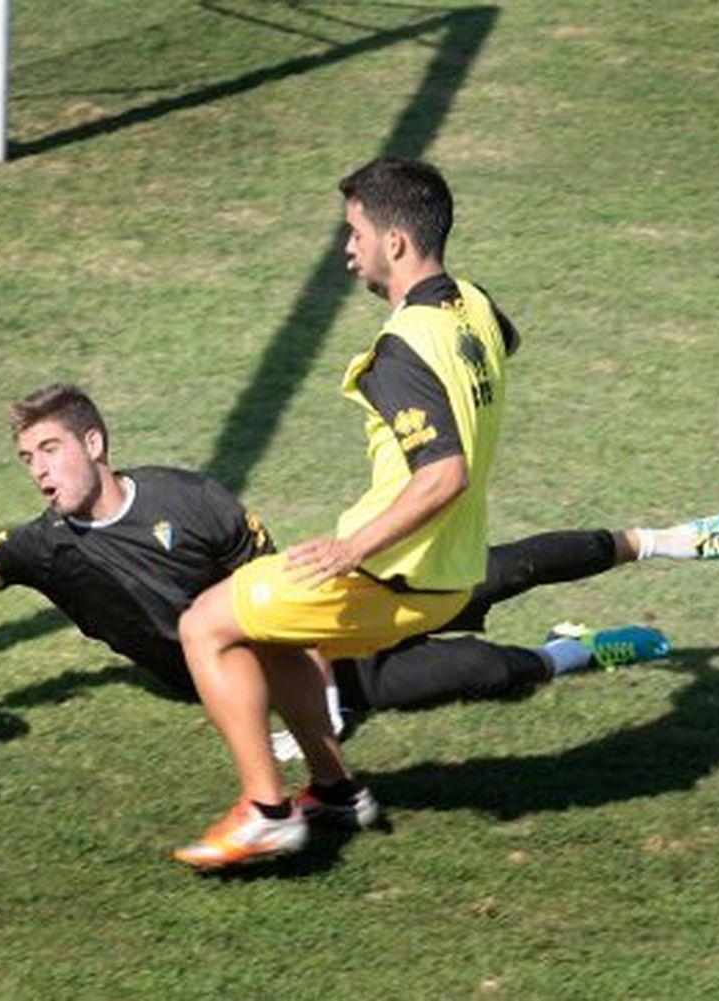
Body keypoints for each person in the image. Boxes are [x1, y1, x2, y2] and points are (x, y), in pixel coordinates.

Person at [0, 383, 719, 856]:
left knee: (498, 571)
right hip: (300, 677)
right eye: (25, 456)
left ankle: (664, 540)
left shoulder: (190, 500)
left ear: (94, 442)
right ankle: (577, 654)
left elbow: (278, 590)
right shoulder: (44, 546)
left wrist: (310, 703)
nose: (37, 469)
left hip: (323, 628)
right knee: (478, 672)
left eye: (48, 449)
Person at [173, 155, 524, 868]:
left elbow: (445, 473)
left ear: (395, 243)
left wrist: (352, 548)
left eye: (355, 232)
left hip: (395, 571)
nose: (348, 247)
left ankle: (267, 812)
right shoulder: (473, 306)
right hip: (449, 568)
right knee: (270, 625)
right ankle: (333, 790)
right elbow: (502, 347)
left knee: (204, 624)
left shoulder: (400, 351)